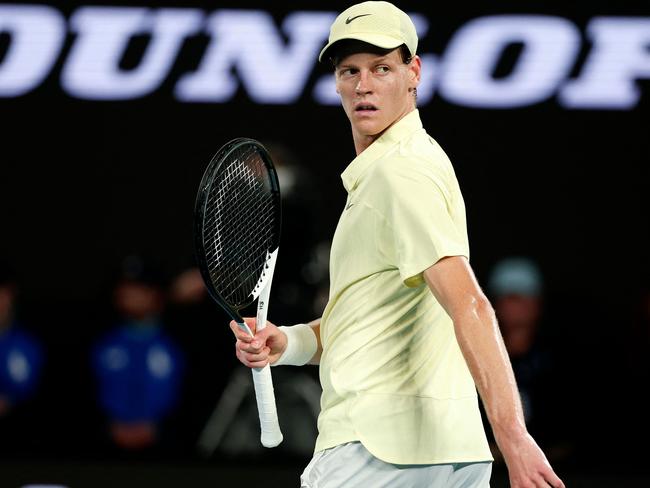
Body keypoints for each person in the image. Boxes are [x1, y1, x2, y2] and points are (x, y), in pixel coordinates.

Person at [230, 2, 565, 487]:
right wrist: (293, 342)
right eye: (350, 71)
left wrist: (514, 436)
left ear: (414, 74)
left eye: (381, 68)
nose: (363, 85)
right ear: (338, 83)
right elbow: (379, 316)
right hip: (446, 453)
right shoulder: (408, 164)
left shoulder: (399, 172)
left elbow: (469, 302)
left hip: (377, 452)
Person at [92, 256, 184, 450]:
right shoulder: (97, 338)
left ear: (156, 293)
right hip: (104, 447)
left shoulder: (182, 339)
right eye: (124, 287)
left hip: (171, 449)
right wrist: (109, 427)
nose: (129, 293)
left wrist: (160, 428)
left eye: (140, 288)